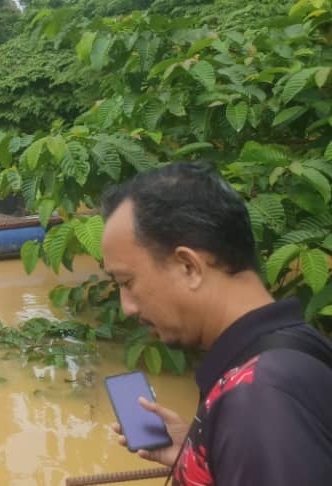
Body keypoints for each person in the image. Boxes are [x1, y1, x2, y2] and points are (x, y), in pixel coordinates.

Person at [98, 161, 332, 485]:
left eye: (126, 282)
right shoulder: (290, 347)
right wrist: (199, 450)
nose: (126, 307)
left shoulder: (258, 400)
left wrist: (239, 433)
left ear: (189, 267)